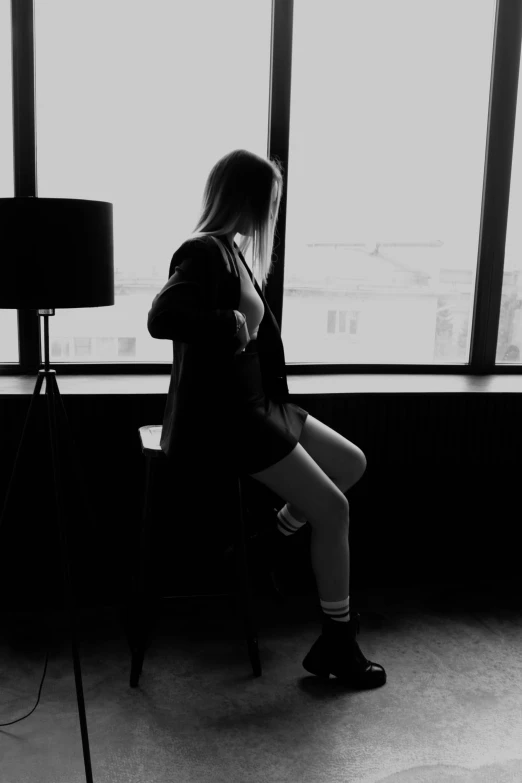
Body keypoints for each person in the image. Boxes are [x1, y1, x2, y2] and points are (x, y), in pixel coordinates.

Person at [147, 148, 386, 689]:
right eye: (272, 201)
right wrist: (232, 322)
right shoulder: (203, 250)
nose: (272, 213)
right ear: (254, 200)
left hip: (259, 403)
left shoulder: (232, 253)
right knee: (333, 509)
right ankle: (338, 644)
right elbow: (163, 316)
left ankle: (267, 543)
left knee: (351, 462)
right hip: (229, 418)